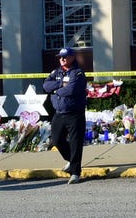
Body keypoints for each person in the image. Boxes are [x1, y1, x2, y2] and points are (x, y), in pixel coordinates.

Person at [43, 47, 87, 185]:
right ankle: (71, 161)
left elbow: (71, 89)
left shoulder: (77, 73)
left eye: (65, 57)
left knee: (75, 143)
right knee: (56, 140)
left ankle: (75, 172)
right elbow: (46, 85)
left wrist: (56, 91)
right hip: (59, 112)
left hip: (74, 113)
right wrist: (60, 84)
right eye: (60, 57)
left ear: (72, 57)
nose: (62, 59)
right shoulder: (56, 72)